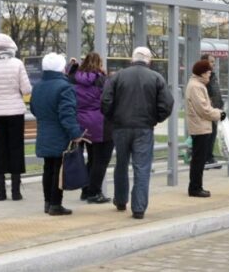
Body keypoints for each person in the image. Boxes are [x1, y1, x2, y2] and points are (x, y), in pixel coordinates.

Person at [101, 47, 174, 219]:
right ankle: (139, 208)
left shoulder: (117, 76)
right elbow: (167, 103)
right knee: (142, 167)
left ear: (132, 59)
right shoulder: (156, 77)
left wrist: (113, 118)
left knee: (121, 163)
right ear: (149, 60)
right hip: (144, 128)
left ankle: (120, 200)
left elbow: (105, 101)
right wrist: (155, 119)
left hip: (120, 127)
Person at [0, 33, 32, 201]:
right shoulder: (17, 64)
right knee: (16, 148)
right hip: (15, 112)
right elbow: (26, 89)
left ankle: (0, 191)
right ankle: (16, 191)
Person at [30, 53, 83, 216]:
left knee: (48, 168)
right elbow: (67, 114)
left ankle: (47, 202)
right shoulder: (65, 87)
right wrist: (75, 134)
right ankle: (55, 204)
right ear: (61, 68)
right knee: (58, 169)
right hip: (59, 134)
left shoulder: (38, 86)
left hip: (44, 131)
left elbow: (33, 108)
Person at [72, 52, 113, 204]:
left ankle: (85, 189)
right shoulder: (102, 80)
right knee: (99, 160)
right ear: (99, 64)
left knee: (88, 159)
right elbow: (108, 100)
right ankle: (94, 192)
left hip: (80, 122)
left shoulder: (74, 79)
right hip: (98, 123)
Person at [185, 60, 225, 198]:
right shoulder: (196, 87)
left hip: (201, 125)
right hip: (200, 127)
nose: (210, 75)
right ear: (202, 73)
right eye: (208, 72)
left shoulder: (198, 84)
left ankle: (197, 186)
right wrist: (219, 114)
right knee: (198, 159)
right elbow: (203, 110)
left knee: (199, 159)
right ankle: (195, 188)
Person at [201, 54, 223, 169]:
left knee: (213, 134)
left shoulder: (213, 76)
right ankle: (205, 158)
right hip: (208, 110)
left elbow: (216, 92)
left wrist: (220, 105)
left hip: (215, 109)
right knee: (207, 135)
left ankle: (209, 156)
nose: (213, 64)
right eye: (211, 61)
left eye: (214, 62)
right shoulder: (203, 77)